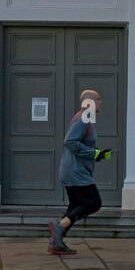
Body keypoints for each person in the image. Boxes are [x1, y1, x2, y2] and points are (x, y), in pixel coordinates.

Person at [48, 89, 111, 255]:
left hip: (72, 170)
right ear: (89, 102)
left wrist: (98, 154)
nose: (101, 101)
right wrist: (93, 153)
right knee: (93, 203)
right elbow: (70, 141)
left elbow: (82, 144)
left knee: (76, 206)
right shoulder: (83, 118)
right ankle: (59, 226)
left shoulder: (85, 118)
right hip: (76, 172)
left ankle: (56, 242)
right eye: (98, 98)